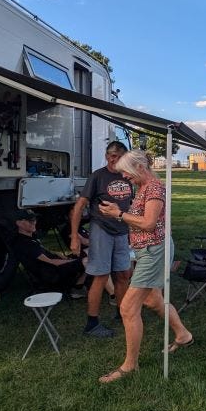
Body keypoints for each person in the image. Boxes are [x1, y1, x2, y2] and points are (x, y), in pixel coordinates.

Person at [96, 149, 193, 383]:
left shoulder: (154, 188)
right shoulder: (144, 188)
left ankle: (130, 365)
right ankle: (183, 334)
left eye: (127, 173)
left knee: (128, 308)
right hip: (148, 249)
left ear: (139, 168)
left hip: (153, 250)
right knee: (152, 299)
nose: (124, 178)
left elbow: (149, 223)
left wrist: (118, 214)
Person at [70, 141, 134, 338]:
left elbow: (131, 204)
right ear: (106, 156)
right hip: (102, 230)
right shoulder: (98, 176)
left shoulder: (128, 176)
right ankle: (92, 323)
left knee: (123, 274)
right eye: (111, 156)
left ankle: (121, 314)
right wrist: (74, 236)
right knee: (101, 276)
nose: (114, 160)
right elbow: (80, 206)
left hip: (122, 230)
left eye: (118, 156)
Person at [13, 209, 87, 297]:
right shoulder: (25, 243)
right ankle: (77, 288)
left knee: (90, 254)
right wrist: (72, 261)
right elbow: (51, 262)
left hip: (55, 266)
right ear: (19, 223)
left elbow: (44, 251)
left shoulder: (30, 238)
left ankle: (84, 280)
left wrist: (61, 255)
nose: (34, 223)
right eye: (30, 221)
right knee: (88, 260)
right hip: (53, 273)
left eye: (34, 220)